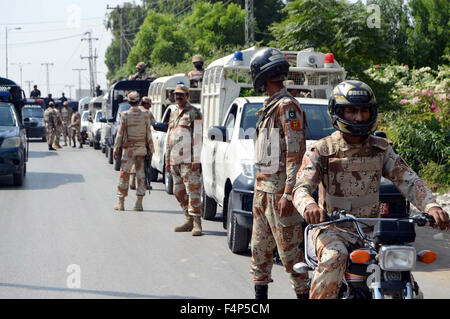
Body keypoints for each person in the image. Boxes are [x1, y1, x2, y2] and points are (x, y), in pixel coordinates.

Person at [292, 80, 449, 299]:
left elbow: (410, 180)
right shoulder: (322, 150)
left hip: (373, 233)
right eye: (351, 110)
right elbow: (300, 188)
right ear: (337, 112)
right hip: (334, 230)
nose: (358, 117)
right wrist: (309, 205)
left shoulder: (381, 149)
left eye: (364, 111)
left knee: (406, 278)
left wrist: (432, 206)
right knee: (334, 257)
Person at [249, 48, 310, 299]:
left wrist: (288, 193)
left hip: (279, 195)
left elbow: (296, 154)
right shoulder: (269, 107)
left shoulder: (287, 107)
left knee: (291, 256)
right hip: (262, 192)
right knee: (259, 252)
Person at [165, 84, 203, 236]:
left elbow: (198, 136)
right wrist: (167, 160)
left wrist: (196, 159)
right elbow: (169, 137)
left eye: (181, 94)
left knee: (193, 192)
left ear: (187, 95)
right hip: (175, 160)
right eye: (176, 94)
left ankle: (197, 224)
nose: (178, 97)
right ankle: (188, 219)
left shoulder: (195, 113)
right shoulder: (173, 114)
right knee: (178, 192)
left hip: (188, 160)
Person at [113, 91, 154, 211]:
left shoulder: (124, 115)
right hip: (141, 149)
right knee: (141, 175)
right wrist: (151, 149)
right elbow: (149, 134)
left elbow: (119, 134)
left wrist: (116, 148)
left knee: (124, 174)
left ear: (129, 102)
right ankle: (139, 203)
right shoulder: (146, 115)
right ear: (138, 101)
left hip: (129, 150)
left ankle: (121, 203)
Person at [129, 96, 155, 191]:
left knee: (134, 161)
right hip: (144, 141)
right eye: (149, 104)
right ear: (146, 104)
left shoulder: (132, 111)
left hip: (132, 141)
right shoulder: (147, 113)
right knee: (145, 163)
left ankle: (132, 182)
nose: (150, 107)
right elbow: (154, 123)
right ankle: (144, 183)